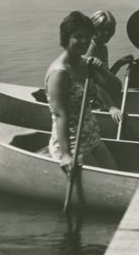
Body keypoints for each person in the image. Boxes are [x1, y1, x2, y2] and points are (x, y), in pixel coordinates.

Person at [45, 11, 122, 174]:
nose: (85, 41)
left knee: (115, 171)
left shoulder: (85, 65)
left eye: (88, 36)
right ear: (66, 38)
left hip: (91, 135)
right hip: (72, 142)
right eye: (78, 36)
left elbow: (115, 86)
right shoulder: (59, 73)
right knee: (104, 179)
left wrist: (100, 68)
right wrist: (66, 155)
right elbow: (60, 115)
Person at [86, 10, 133, 124]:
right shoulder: (91, 47)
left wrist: (119, 63)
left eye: (110, 30)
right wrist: (111, 107)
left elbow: (104, 78)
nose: (107, 33)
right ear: (94, 29)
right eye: (103, 30)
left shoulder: (103, 47)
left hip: (99, 95)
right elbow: (95, 82)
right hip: (88, 97)